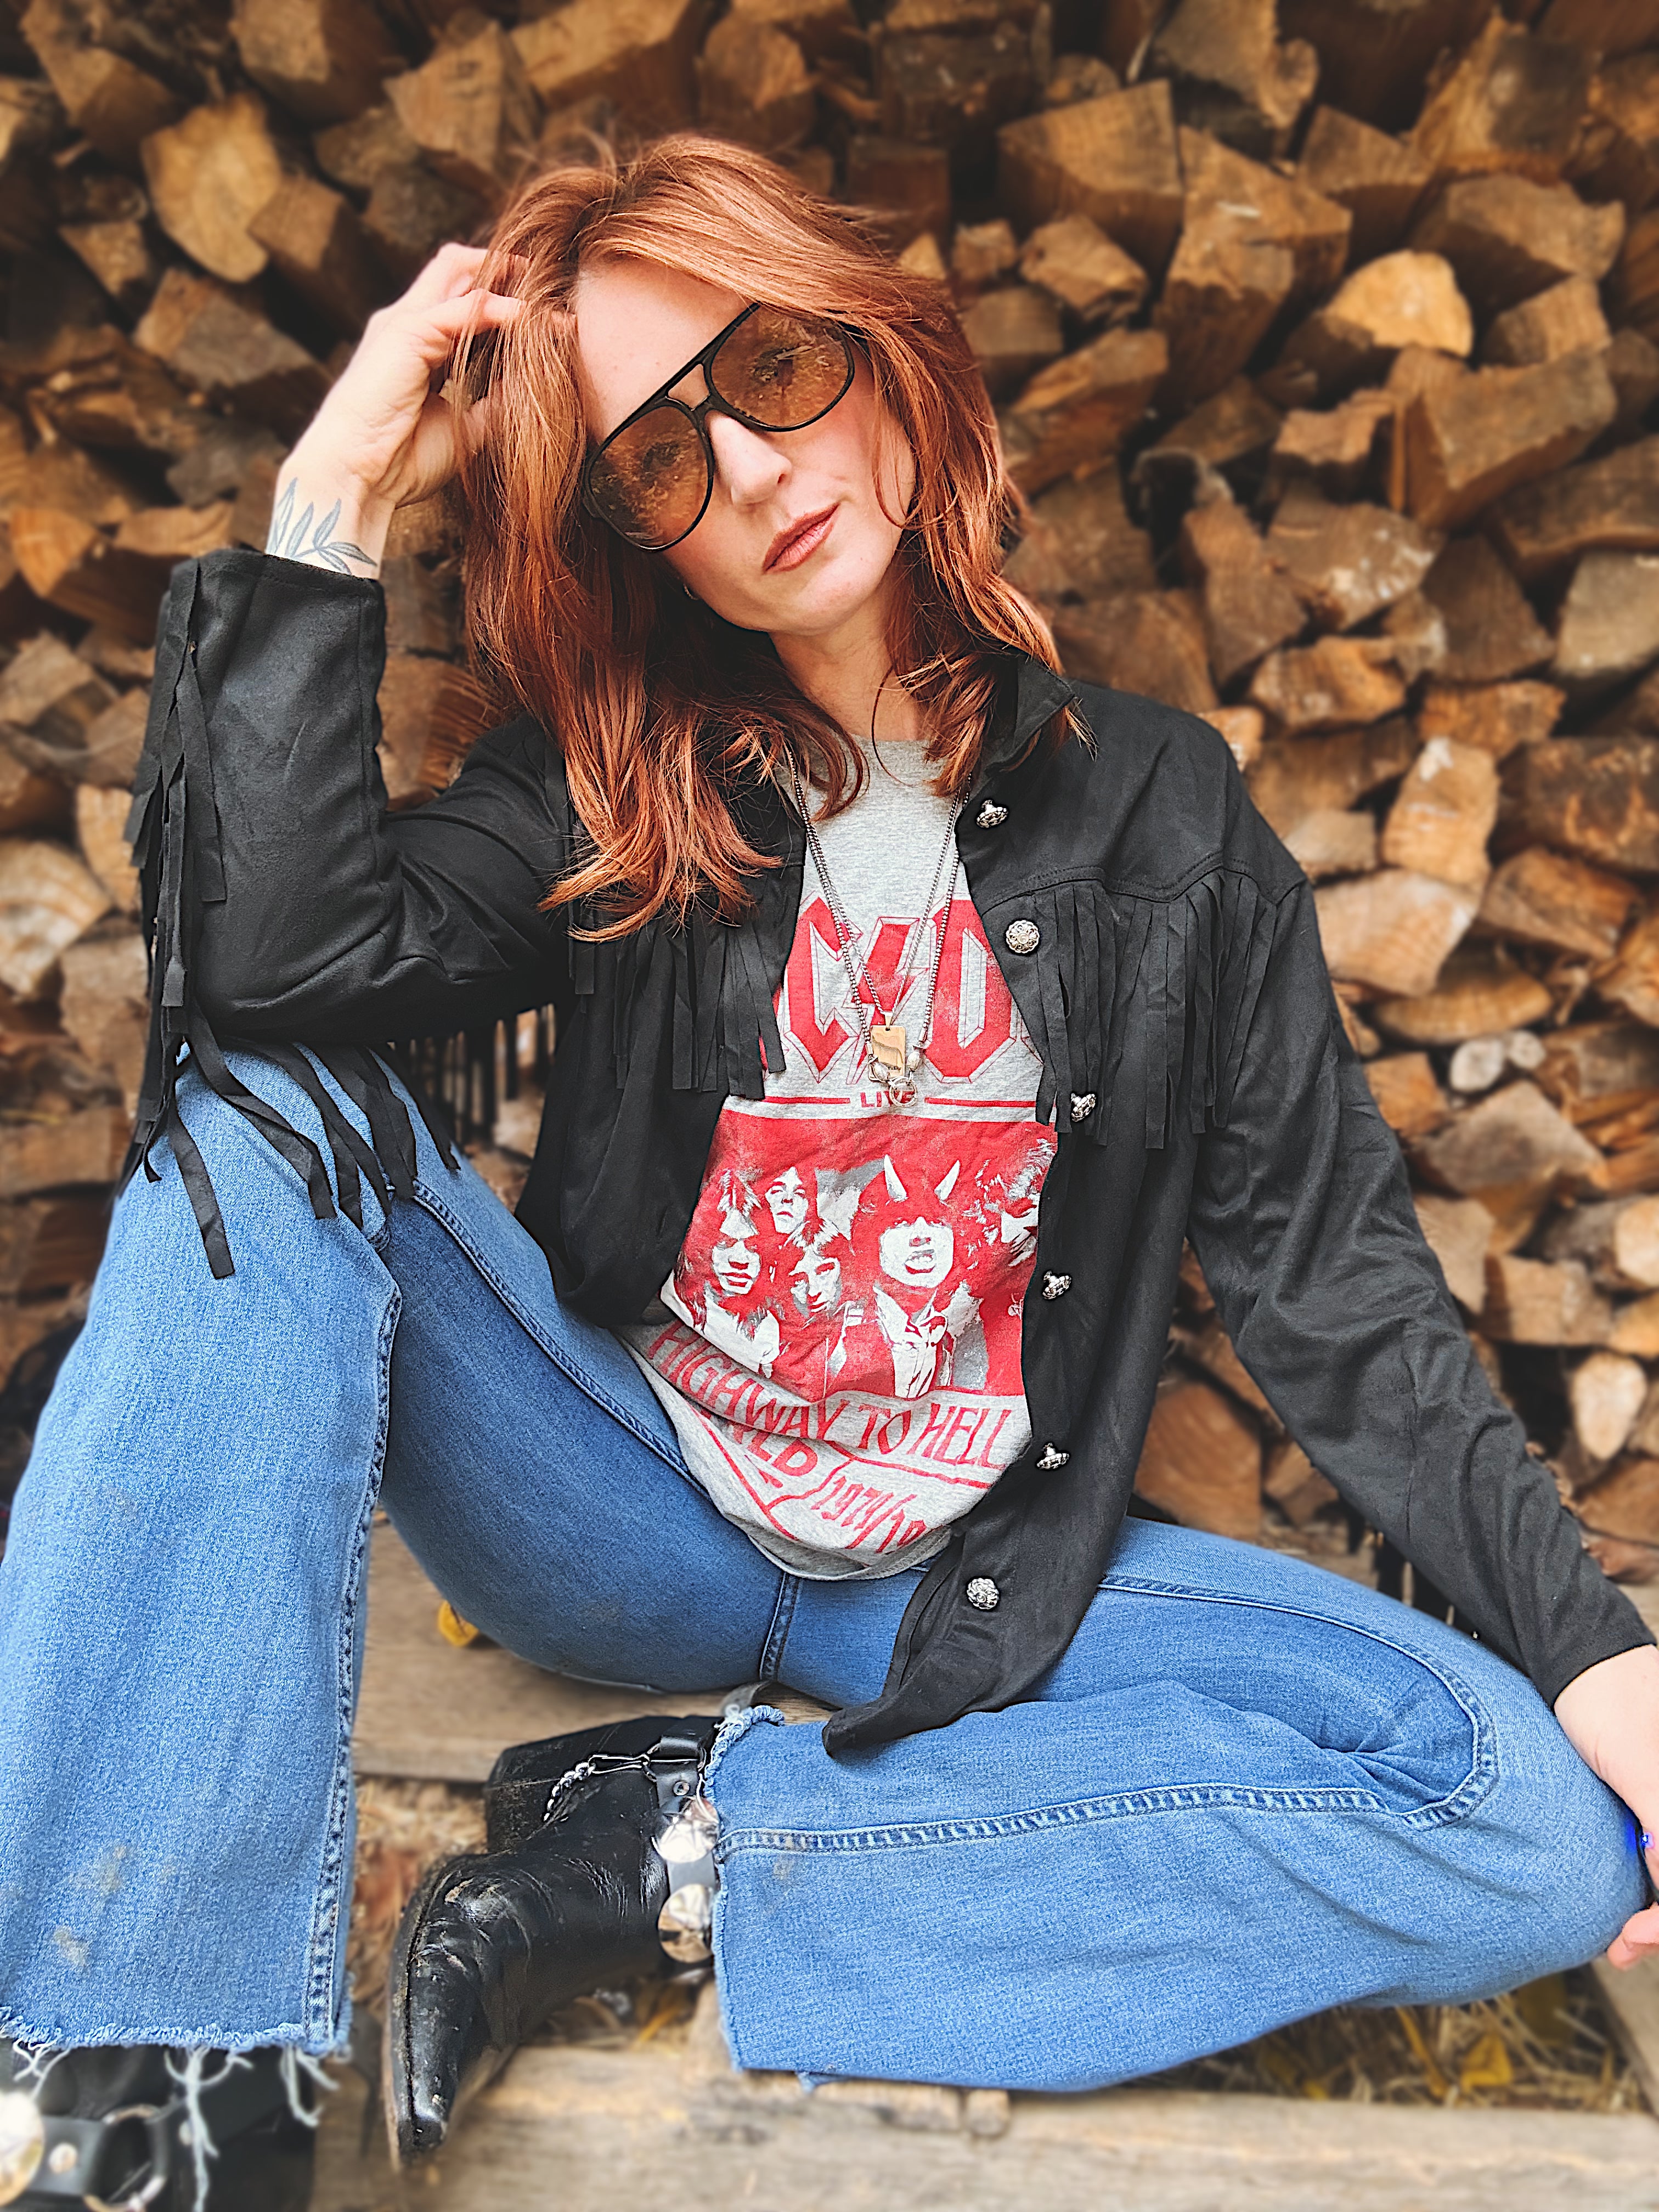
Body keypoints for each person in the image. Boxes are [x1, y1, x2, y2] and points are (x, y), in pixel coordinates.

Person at [2, 131, 1658, 2200]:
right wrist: (333, 491)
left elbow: (1340, 1292)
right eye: (657, 461)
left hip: (974, 1581)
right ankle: (169, 2072)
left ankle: (667, 1848)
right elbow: (273, 969)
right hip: (626, 1501)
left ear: (879, 353)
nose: (753, 472)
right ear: (644, 545)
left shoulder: (1166, 816)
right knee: (266, 1102)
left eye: (774, 370)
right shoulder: (612, 784)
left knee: (1530, 1820)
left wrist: (1608, 1662)